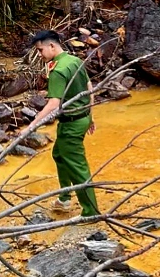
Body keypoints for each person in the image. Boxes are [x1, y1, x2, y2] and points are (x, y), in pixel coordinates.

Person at [28, 30, 99, 217]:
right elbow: (88, 87)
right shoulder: (74, 61)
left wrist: (31, 126)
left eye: (40, 50)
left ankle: (91, 212)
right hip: (82, 118)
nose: (40, 55)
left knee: (78, 167)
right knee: (59, 154)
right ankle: (65, 198)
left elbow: (53, 103)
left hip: (71, 124)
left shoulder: (58, 70)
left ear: (52, 46)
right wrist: (90, 116)